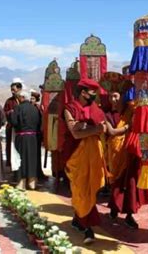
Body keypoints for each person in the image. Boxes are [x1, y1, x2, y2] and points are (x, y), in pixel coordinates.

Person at [101, 72, 148, 229]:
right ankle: (114, 209)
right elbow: (113, 132)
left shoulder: (130, 110)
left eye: (116, 96)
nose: (113, 100)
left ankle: (129, 214)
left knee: (131, 183)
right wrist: (130, 127)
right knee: (117, 183)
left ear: (122, 96)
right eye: (110, 97)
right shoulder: (106, 114)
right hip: (115, 153)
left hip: (130, 152)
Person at [63, 78, 107, 244]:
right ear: (83, 92)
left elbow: (103, 128)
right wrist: (95, 129)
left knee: (90, 189)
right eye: (92, 91)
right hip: (76, 155)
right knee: (81, 189)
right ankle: (88, 227)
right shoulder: (70, 108)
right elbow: (75, 133)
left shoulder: (96, 109)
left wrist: (87, 128)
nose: (94, 95)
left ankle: (78, 220)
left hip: (94, 154)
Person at [9, 89, 42, 190]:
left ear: (22, 98)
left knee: (21, 159)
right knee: (32, 159)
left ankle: (21, 183)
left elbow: (14, 122)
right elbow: (39, 122)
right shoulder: (35, 109)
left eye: (19, 97)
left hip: (22, 137)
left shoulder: (18, 108)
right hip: (33, 138)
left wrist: (11, 115)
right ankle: (32, 182)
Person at [3, 79, 23, 169]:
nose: (12, 92)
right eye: (11, 90)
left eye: (13, 90)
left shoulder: (24, 100)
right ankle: (10, 163)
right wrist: (10, 112)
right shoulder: (9, 101)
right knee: (10, 146)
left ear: (19, 89)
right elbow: (4, 113)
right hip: (11, 127)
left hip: (22, 128)